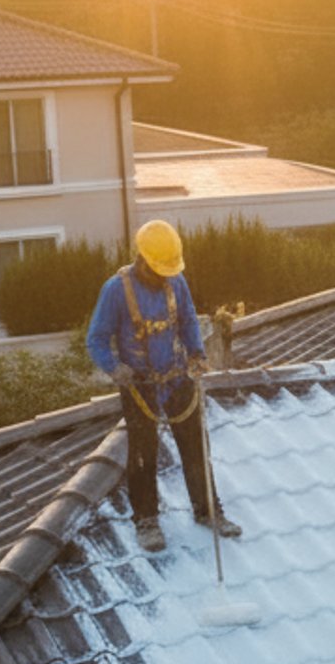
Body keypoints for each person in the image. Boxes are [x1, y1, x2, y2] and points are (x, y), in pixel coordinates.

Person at [85, 220, 241, 553]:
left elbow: (187, 321)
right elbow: (96, 339)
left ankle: (208, 510)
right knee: (143, 454)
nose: (164, 277)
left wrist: (197, 354)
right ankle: (146, 520)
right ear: (143, 259)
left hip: (177, 378)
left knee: (196, 447)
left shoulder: (176, 282)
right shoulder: (116, 290)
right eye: (159, 270)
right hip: (139, 384)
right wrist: (115, 368)